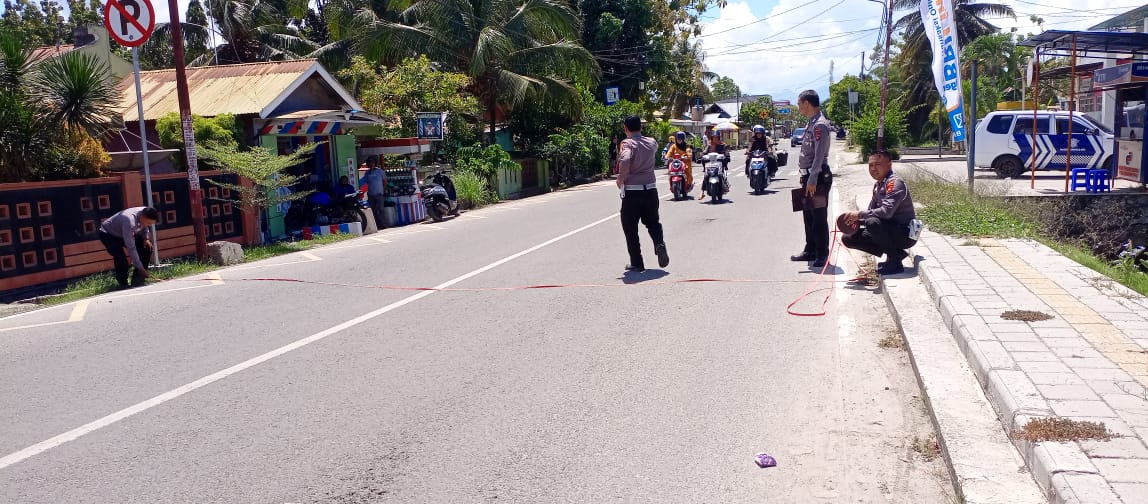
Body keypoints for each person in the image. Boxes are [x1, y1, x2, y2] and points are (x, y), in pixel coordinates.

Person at [840, 151, 918, 275]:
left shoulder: (895, 184)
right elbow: (871, 211)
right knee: (848, 238)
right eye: (870, 165)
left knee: (872, 223)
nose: (873, 168)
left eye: (878, 164)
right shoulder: (879, 184)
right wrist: (853, 220)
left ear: (889, 164)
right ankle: (896, 254)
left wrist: (859, 214)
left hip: (905, 234)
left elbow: (886, 213)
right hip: (888, 230)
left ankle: (894, 262)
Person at [617, 114, 669, 272]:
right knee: (653, 222)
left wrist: (621, 178)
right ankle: (659, 244)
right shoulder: (651, 142)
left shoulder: (627, 143)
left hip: (633, 192)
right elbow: (652, 148)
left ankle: (637, 262)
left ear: (626, 129)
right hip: (651, 190)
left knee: (630, 227)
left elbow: (625, 160)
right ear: (641, 127)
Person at [790, 89, 834, 268]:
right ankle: (811, 250)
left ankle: (822, 253)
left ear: (807, 103)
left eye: (800, 104)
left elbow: (819, 155)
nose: (799, 107)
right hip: (808, 175)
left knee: (819, 217)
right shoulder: (812, 123)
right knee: (808, 215)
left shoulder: (820, 125)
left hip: (817, 176)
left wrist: (813, 179)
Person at [98, 206, 158, 289]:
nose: (149, 225)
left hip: (124, 232)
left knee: (147, 247)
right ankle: (123, 283)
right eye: (149, 223)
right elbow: (131, 248)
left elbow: (145, 227)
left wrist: (146, 238)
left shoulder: (146, 211)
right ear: (142, 217)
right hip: (108, 234)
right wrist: (140, 268)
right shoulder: (129, 221)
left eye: (151, 224)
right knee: (121, 258)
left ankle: (137, 280)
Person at [697, 132, 729, 203]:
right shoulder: (709, 145)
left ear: (719, 138)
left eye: (716, 137)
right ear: (711, 138)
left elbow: (726, 153)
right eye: (714, 137)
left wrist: (726, 155)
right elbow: (705, 152)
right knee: (706, 175)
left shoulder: (723, 145)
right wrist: (702, 155)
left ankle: (724, 185)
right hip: (710, 164)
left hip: (719, 164)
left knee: (721, 175)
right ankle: (702, 192)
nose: (715, 139)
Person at [363, 157, 386, 228]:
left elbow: (385, 181)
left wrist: (383, 190)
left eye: (372, 162)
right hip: (371, 195)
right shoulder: (367, 173)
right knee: (373, 211)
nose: (371, 164)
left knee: (381, 210)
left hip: (379, 194)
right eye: (369, 163)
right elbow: (366, 182)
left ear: (375, 163)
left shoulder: (380, 171)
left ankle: (383, 224)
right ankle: (376, 225)